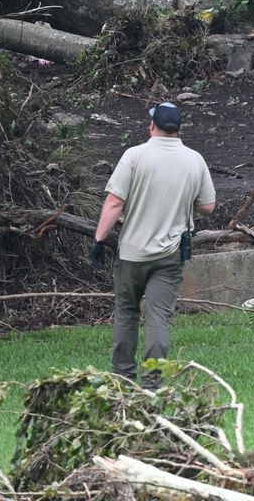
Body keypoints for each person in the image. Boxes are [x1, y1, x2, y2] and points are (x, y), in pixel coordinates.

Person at [92, 102, 217, 386]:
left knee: (127, 313)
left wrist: (99, 239)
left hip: (132, 253)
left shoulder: (134, 156)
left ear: (152, 126)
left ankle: (122, 378)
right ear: (179, 129)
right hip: (170, 254)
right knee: (158, 317)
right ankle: (152, 383)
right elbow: (208, 206)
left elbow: (114, 202)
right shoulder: (194, 159)